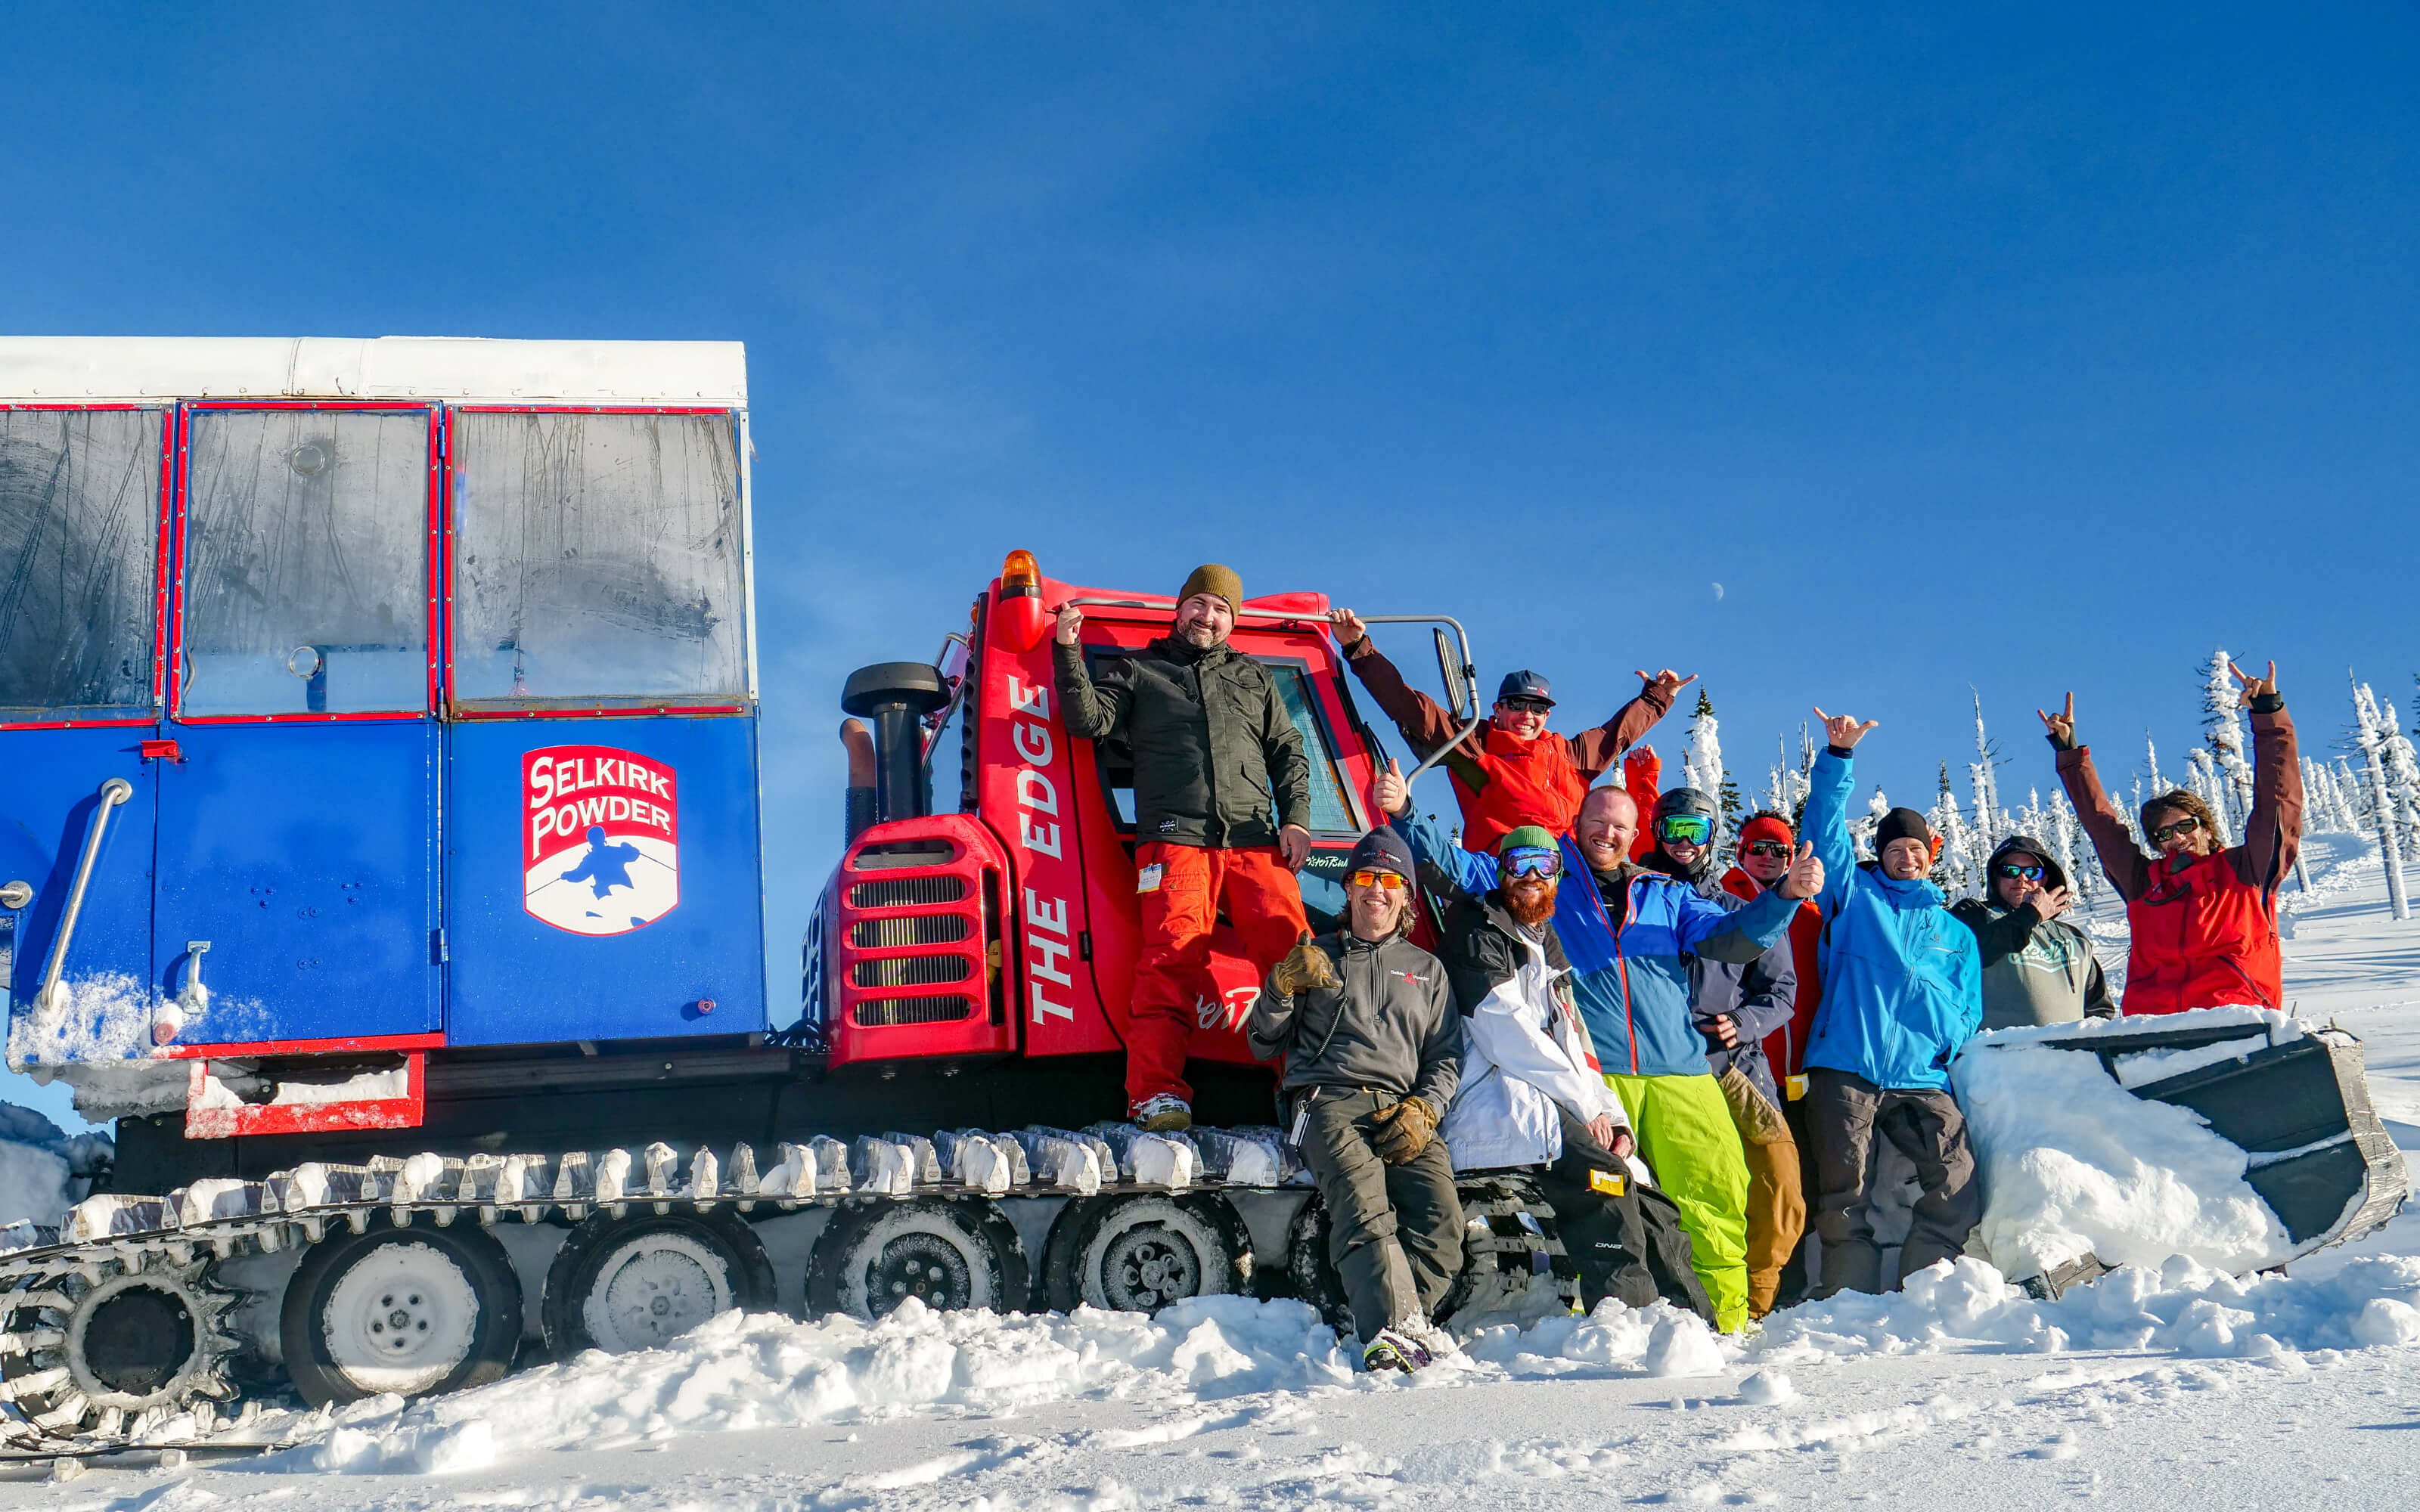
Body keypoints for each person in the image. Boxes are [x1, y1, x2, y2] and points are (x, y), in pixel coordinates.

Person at [1377, 761, 1822, 1333]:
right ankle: (1606, 1325)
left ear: (1635, 835)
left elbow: (1733, 940)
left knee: (1716, 1194)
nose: (1607, 834)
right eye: (1596, 821)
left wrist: (1785, 895)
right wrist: (1406, 813)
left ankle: (1725, 1325)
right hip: (1596, 1075)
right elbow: (1459, 866)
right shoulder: (1548, 877)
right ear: (1578, 822)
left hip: (1679, 1072)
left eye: (1619, 826)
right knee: (1604, 1202)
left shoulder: (1666, 895)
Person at [1418, 823, 1712, 1322]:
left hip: (1551, 1099)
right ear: (1501, 873)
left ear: (1559, 876)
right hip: (1496, 1098)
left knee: (1651, 1199)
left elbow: (1576, 1042)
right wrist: (1583, 1109)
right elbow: (1507, 1034)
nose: (1532, 876)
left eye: (1546, 866)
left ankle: (1692, 1324)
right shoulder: (1478, 930)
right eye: (1519, 865)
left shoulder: (1545, 940)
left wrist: (1609, 1115)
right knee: (1605, 1184)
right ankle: (1629, 1322)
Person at [1056, 565, 1314, 1129]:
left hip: (1254, 842)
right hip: (1176, 842)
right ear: (1180, 609)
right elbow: (1088, 721)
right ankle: (1156, 1094)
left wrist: (1295, 820)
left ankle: (1308, 1085)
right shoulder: (1141, 671)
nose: (1208, 616)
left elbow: (1288, 753)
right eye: (1199, 604)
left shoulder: (1253, 678)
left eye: (1221, 609)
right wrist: (1069, 651)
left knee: (1299, 963)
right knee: (1170, 964)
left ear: (1232, 620)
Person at [1246, 827, 1463, 1372]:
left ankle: (1404, 1320)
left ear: (1406, 894)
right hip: (1323, 1101)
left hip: (1400, 1108)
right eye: (1366, 877)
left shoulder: (1428, 970)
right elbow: (1259, 1042)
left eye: (1390, 880)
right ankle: (1392, 1335)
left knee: (1444, 1222)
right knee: (1364, 1205)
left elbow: (1445, 1057)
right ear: (1348, 888)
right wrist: (1280, 988)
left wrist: (1425, 1109)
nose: (1377, 889)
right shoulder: (1314, 956)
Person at [1799, 708, 1984, 1297]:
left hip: (1920, 1078)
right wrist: (1839, 760)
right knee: (1843, 1194)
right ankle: (1845, 1301)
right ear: (1880, 854)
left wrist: (1943, 1041)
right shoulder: (1853, 898)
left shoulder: (1954, 932)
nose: (1906, 856)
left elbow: (1969, 1009)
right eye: (1894, 847)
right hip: (1846, 1066)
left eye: (1915, 847)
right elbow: (1824, 830)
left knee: (1956, 1185)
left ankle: (1926, 1292)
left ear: (1931, 852)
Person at [2038, 662, 2303, 1015]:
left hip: (2235, 1021)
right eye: (2164, 833)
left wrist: (2269, 717)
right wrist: (2070, 755)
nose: (2176, 838)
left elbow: (2277, 803)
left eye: (2185, 826)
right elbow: (2101, 825)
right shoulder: (2143, 884)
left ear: (2206, 827)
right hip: (2154, 1031)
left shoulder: (2246, 870)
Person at [1326, 606, 1692, 853]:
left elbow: (1620, 733)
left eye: (1537, 708)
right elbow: (1411, 708)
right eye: (1517, 705)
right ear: (1498, 709)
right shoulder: (1477, 744)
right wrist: (1360, 649)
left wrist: (1659, 696)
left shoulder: (1570, 753)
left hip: (1567, 874)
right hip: (1507, 873)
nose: (1527, 715)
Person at [1641, 789, 1806, 1321]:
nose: (1684, 842)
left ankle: (1754, 1299)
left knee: (1778, 1185)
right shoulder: (1635, 902)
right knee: (1664, 1187)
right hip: (1658, 1066)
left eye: (1696, 829)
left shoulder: (1742, 911)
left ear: (1713, 836)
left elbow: (1782, 992)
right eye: (1673, 830)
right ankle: (1669, 1296)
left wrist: (1744, 1022)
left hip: (1733, 1066)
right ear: (1656, 832)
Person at [1721, 809, 1826, 1307]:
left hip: (1799, 1076)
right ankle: (1734, 1282)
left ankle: (1788, 1286)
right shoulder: (1723, 899)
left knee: (1797, 1185)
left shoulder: (1809, 910)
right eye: (1757, 848)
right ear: (1740, 852)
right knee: (1746, 1179)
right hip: (1738, 1069)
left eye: (1779, 850)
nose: (1767, 858)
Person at [1949, 836, 2118, 1031]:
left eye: (2033, 872)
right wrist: (2031, 914)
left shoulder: (2074, 937)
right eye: (2010, 871)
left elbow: (2099, 1009)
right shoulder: (1973, 914)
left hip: (2069, 1059)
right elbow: (1977, 952)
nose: (2022, 878)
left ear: (2044, 880)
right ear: (1996, 877)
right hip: (1996, 1056)